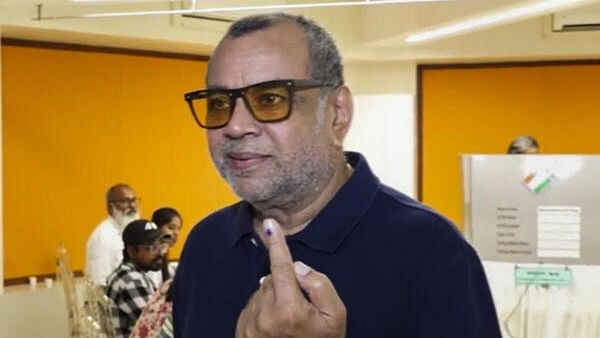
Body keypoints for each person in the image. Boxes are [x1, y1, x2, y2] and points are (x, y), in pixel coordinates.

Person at [174, 13, 502, 338]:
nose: (234, 126)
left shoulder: (430, 251)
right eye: (218, 103)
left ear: (337, 114)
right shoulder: (207, 243)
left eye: (270, 99)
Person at [105, 219, 169, 338]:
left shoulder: (132, 274)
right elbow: (157, 328)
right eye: (152, 248)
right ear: (132, 252)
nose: (160, 253)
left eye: (161, 246)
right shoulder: (130, 281)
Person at [86, 183, 140, 285]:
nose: (132, 205)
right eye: (125, 201)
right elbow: (100, 283)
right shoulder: (103, 237)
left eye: (133, 200)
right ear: (111, 207)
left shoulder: (131, 230)